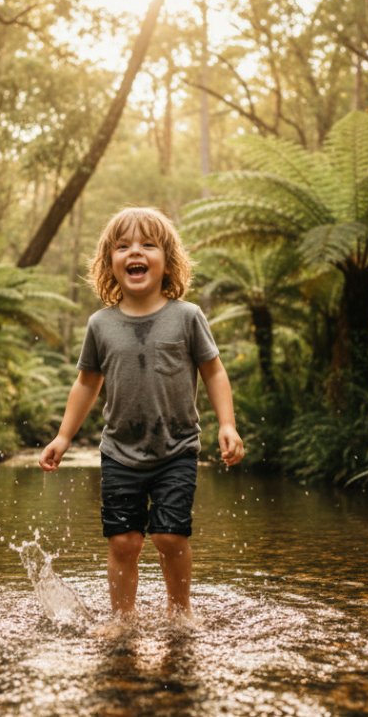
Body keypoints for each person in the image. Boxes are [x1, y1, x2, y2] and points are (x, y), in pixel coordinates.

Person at [39, 206, 245, 619]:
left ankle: (180, 612)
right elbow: (86, 383)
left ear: (167, 261)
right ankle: (123, 619)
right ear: (110, 263)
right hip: (119, 452)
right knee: (123, 542)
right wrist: (63, 436)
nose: (136, 252)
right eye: (123, 246)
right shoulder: (101, 324)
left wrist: (227, 424)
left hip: (177, 450)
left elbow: (214, 371)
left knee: (170, 536)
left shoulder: (187, 317)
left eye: (148, 245)